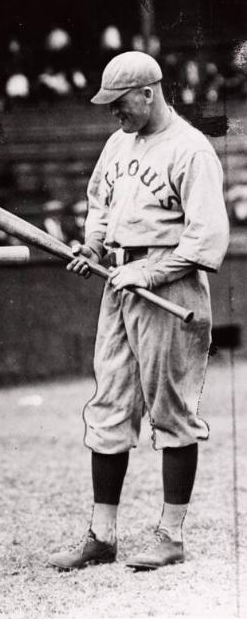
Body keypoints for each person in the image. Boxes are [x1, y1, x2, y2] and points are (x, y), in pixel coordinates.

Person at [48, 51, 229, 572]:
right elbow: (100, 203)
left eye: (119, 102)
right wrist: (94, 248)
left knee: (172, 411)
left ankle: (170, 534)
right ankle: (101, 537)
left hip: (168, 289)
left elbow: (206, 236)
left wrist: (150, 271)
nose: (113, 113)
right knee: (108, 408)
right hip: (119, 281)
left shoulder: (192, 150)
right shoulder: (117, 143)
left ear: (148, 92)